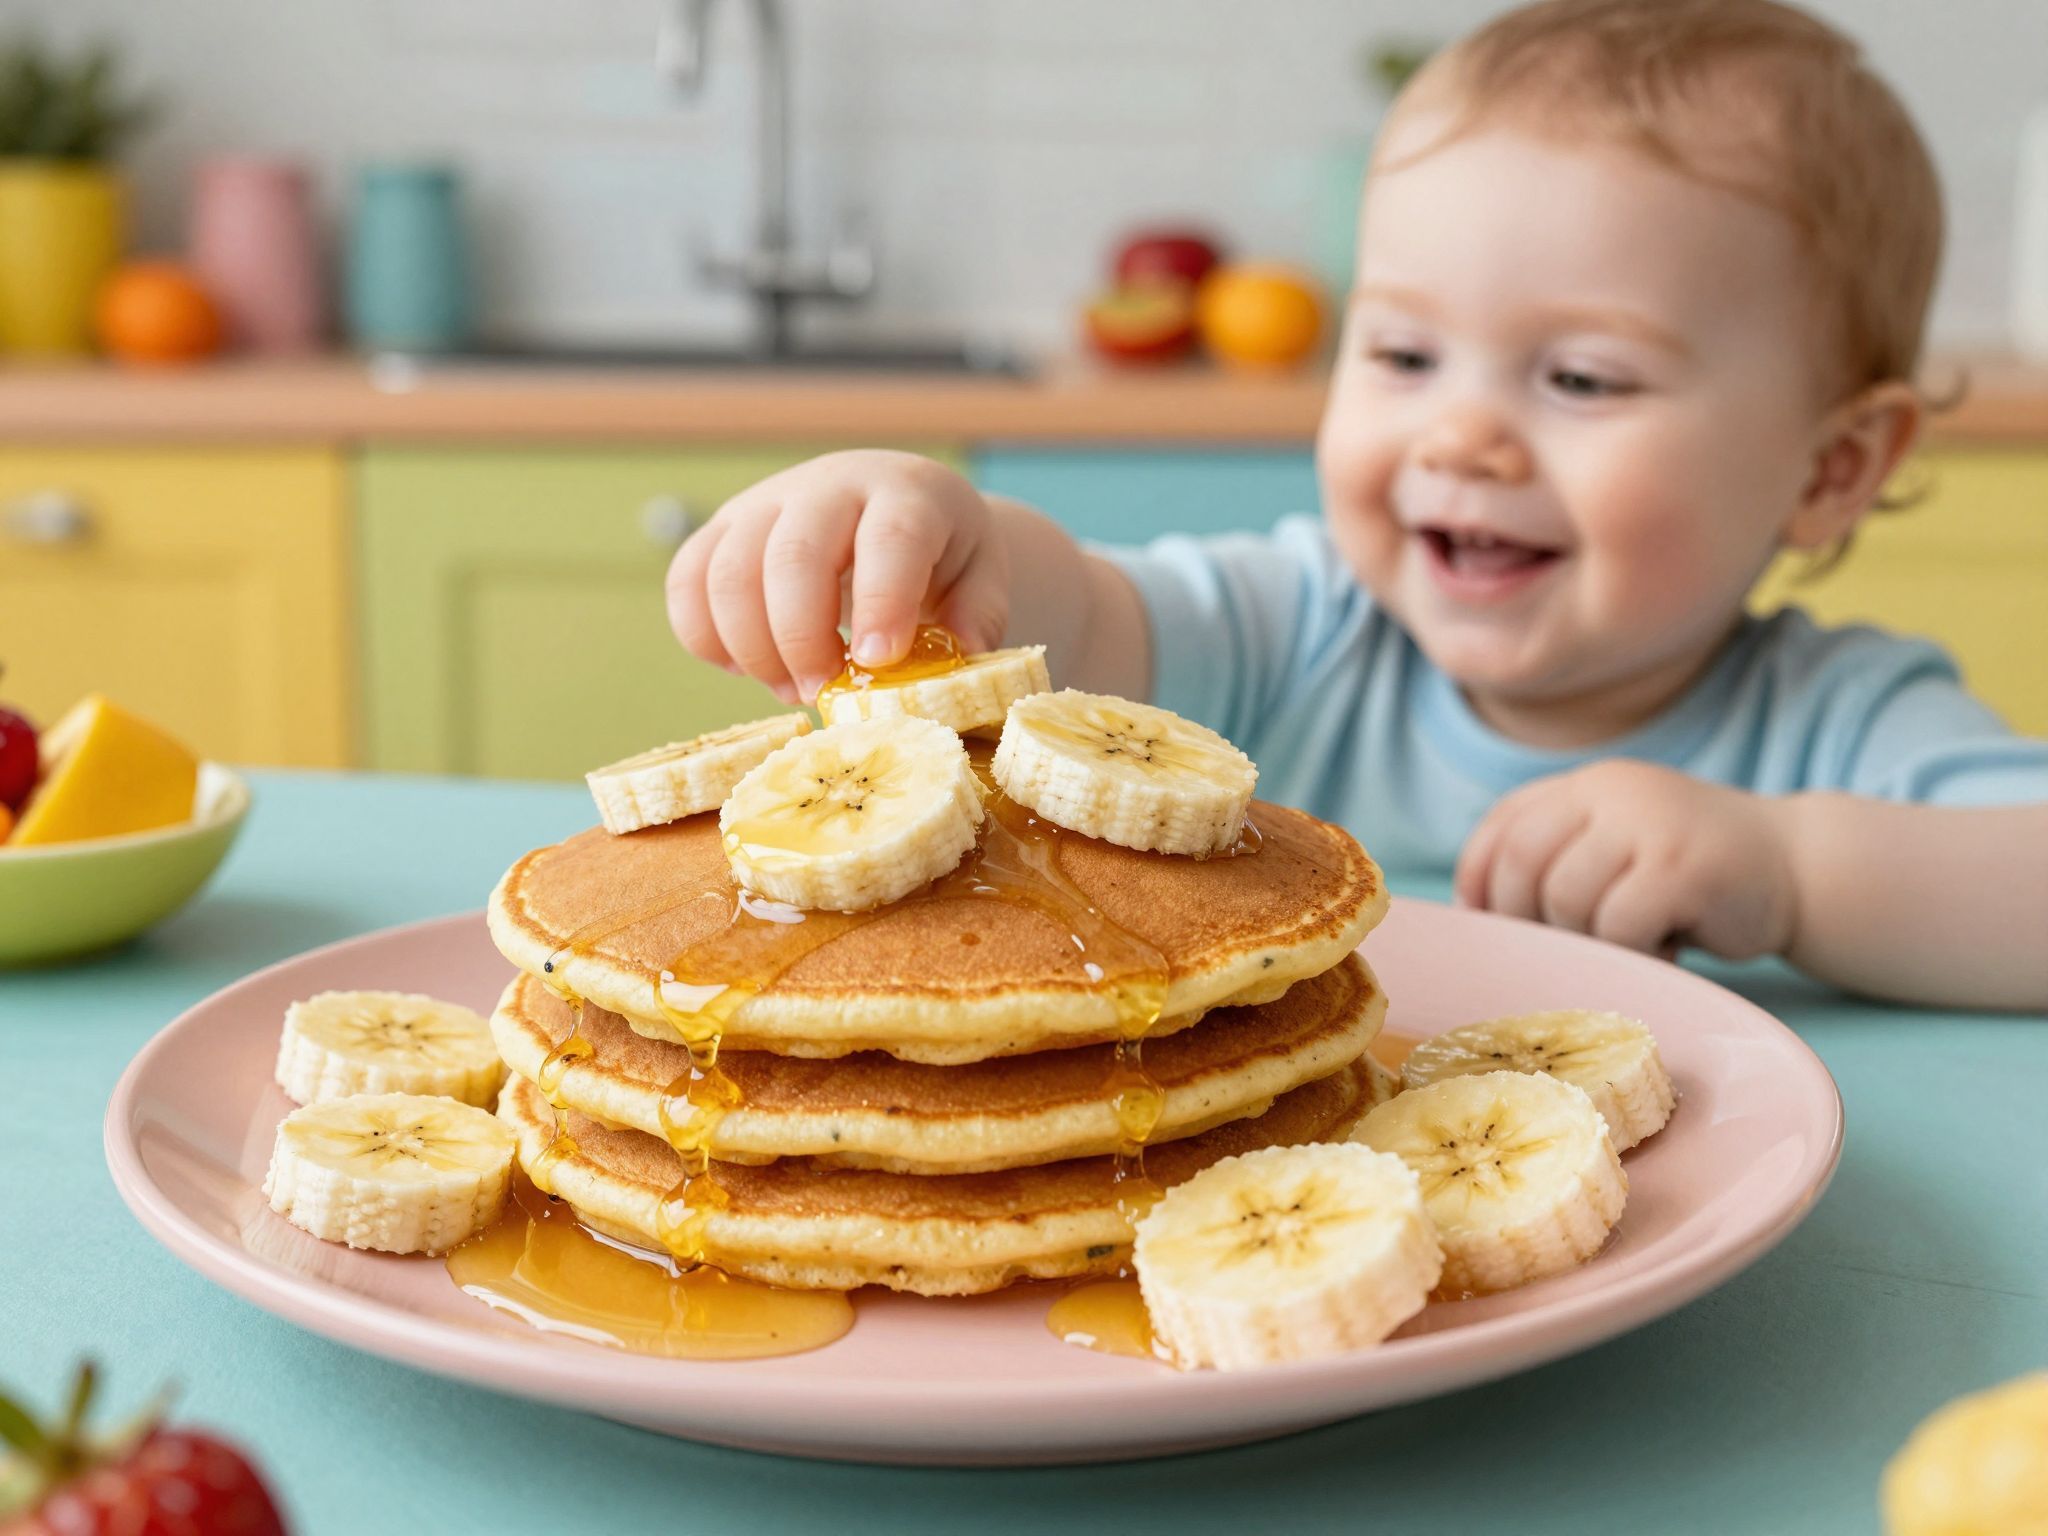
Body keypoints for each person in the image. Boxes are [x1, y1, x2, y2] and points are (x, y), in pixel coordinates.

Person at [665, 0, 2048, 1011]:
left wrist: (1789, 868)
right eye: (1401, 355)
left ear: (1831, 470)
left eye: (1578, 375)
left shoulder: (1839, 724)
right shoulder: (1300, 626)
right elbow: (1077, 614)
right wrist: (934, 524)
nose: (1460, 433)